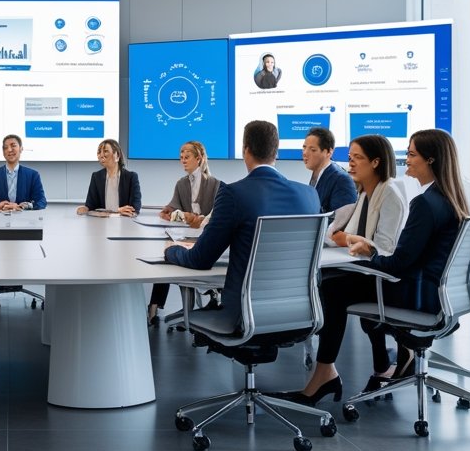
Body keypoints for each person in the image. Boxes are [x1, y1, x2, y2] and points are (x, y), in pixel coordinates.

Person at [284, 128, 469, 406]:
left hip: (416, 296)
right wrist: (368, 249)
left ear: (431, 160)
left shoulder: (424, 204)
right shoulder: (444, 199)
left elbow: (396, 264)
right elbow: (408, 256)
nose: (406, 159)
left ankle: (325, 373)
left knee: (334, 289)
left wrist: (370, 251)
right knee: (341, 282)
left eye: (412, 154)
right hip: (434, 293)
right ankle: (348, 367)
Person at [162, 120, 320, 331]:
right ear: (276, 152)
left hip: (243, 317)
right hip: (300, 315)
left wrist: (171, 251)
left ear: (245, 151)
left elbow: (199, 259)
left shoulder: (233, 194)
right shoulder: (309, 195)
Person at [328, 134, 408, 393]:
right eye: (349, 158)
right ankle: (380, 362)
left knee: (332, 292)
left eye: (357, 158)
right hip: (370, 272)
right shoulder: (366, 194)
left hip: (390, 279)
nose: (350, 164)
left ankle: (326, 371)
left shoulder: (390, 194)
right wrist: (354, 240)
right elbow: (342, 236)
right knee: (331, 285)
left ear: (375, 162)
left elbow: (385, 248)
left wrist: (362, 243)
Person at [148, 140, 221, 326]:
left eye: (187, 156)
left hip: (205, 237)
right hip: (184, 236)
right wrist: (169, 212)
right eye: (181, 157)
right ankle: (154, 306)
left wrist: (197, 219)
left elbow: (217, 215)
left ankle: (211, 297)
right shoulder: (181, 184)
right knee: (165, 256)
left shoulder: (215, 184)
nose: (183, 160)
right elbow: (174, 209)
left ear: (199, 158)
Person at [0, 134, 47, 211]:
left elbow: (42, 201)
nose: (9, 150)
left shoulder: (33, 175)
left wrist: (22, 206)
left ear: (21, 149)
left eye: (13, 146)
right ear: (3, 152)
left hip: (25, 220)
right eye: (5, 147)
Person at [76, 138, 141, 216]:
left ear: (117, 155)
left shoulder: (131, 177)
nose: (101, 155)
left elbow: (135, 208)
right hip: (101, 223)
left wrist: (117, 212)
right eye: (99, 152)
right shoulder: (96, 177)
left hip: (125, 222)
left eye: (105, 151)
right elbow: (91, 206)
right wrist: (85, 209)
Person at [302, 126, 357, 213]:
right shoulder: (316, 174)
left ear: (328, 152)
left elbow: (341, 220)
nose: (305, 153)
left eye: (312, 150)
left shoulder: (341, 180)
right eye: (304, 148)